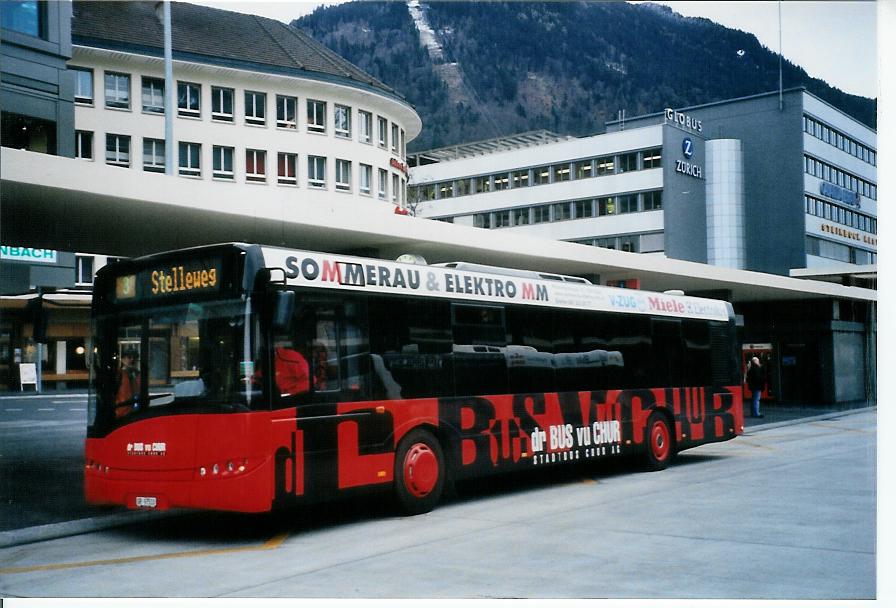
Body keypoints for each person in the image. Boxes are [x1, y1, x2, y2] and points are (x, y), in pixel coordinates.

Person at [115, 348, 141, 418]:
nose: (132, 360)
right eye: (129, 357)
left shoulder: (137, 374)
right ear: (123, 359)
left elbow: (139, 392)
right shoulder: (118, 374)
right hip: (121, 412)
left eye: (134, 358)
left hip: (133, 412)